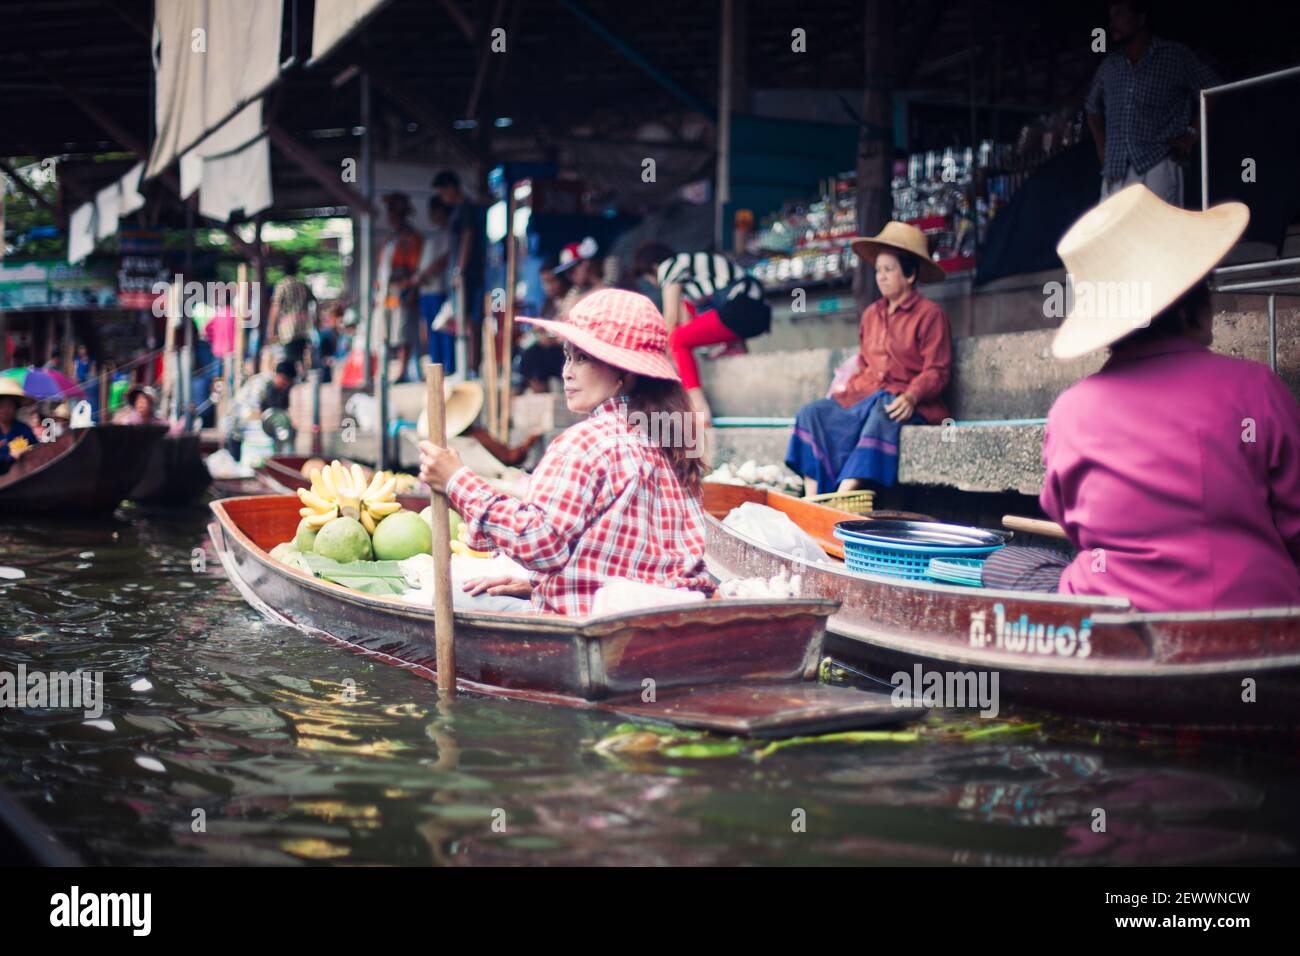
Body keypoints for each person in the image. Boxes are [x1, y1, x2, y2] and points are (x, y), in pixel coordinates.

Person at [981, 185, 1300, 612]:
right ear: (1190, 308)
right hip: (1254, 618)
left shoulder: (1071, 412)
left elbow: (1077, 528)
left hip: (1120, 614)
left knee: (1003, 563)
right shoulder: (1257, 388)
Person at [418, 288, 714, 614]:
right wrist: (537, 584)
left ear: (625, 373)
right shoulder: (672, 434)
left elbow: (539, 544)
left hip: (590, 621)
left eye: (583, 358)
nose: (567, 372)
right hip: (658, 612)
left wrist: (457, 481)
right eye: (568, 356)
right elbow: (631, 556)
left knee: (444, 596)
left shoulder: (586, 443)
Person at [786, 222, 950, 496]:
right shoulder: (872, 314)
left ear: (909, 276)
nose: (881, 277)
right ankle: (813, 499)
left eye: (889, 270)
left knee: (883, 409)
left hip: (905, 404)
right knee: (812, 412)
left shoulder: (930, 315)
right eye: (878, 270)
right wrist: (845, 391)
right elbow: (864, 364)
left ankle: (843, 496)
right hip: (867, 398)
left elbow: (938, 370)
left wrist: (912, 396)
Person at [1084, 0, 1219, 207]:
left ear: (1140, 19)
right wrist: (1102, 149)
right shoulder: (1110, 65)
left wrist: (1192, 133)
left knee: (1158, 237)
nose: (1113, 23)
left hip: (1159, 164)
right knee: (1116, 239)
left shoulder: (1174, 55)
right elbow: (1091, 108)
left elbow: (1211, 90)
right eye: (1111, 18)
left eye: (1120, 15)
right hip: (1116, 170)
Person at [653, 246, 772, 423]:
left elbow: (671, 319)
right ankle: (735, 346)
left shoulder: (669, 266)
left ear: (653, 268)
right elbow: (688, 325)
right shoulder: (696, 278)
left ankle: (699, 406)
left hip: (744, 307)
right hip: (757, 313)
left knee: (678, 339)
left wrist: (660, 356)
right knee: (683, 337)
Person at [433, 170, 486, 373]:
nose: (442, 197)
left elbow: (468, 236)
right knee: (460, 320)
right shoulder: (457, 210)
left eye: (442, 191)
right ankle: (465, 366)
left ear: (451, 188)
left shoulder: (466, 209)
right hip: (461, 274)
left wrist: (460, 270)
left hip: (468, 276)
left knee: (470, 320)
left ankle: (472, 367)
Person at [375, 193, 425, 382]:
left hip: (402, 289)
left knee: (403, 331)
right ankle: (385, 370)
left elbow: (415, 268)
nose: (389, 216)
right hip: (386, 291)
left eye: (392, 212)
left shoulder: (412, 238)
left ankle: (402, 371)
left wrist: (411, 290)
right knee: (385, 331)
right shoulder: (390, 239)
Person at [414, 196, 455, 375]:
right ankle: (436, 372)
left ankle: (449, 369)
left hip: (440, 290)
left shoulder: (450, 234)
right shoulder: (435, 235)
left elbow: (445, 260)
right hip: (427, 291)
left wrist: (424, 274)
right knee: (432, 333)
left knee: (444, 330)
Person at [517, 256, 570, 393]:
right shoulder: (548, 304)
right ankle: (532, 385)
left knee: (536, 354)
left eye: (552, 281)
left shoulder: (571, 298)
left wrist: (552, 341)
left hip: (563, 351)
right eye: (545, 283)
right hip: (548, 347)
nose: (548, 287)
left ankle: (539, 387)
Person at [269, 256, 316, 371]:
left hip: (287, 327)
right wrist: (316, 320)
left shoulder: (282, 285)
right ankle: (301, 375)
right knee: (300, 354)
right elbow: (315, 302)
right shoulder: (302, 285)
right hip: (303, 326)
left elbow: (276, 307)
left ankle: (293, 377)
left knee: (289, 356)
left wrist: (271, 328)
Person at [0, 379, 38, 476]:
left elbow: (37, 451)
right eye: (2, 406)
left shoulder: (24, 429)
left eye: (9, 406)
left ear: (16, 408)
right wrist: (12, 456)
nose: (6, 410)